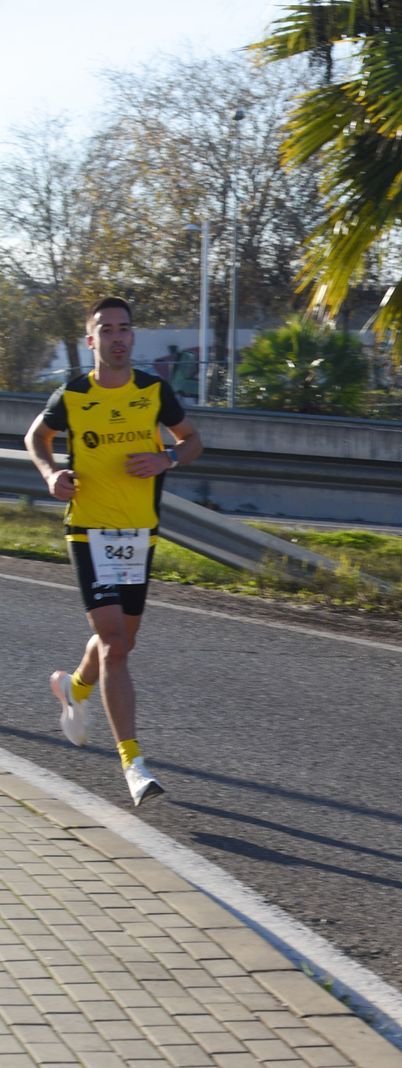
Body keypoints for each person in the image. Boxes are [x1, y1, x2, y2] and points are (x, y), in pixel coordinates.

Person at [24, 297, 203, 806]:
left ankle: (74, 689)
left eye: (125, 329)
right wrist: (51, 472)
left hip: (138, 532)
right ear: (91, 341)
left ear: (132, 337)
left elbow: (193, 441)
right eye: (107, 330)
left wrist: (166, 457)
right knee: (114, 644)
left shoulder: (153, 391)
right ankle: (133, 764)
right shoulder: (73, 395)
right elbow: (38, 437)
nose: (117, 338)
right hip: (88, 530)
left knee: (122, 640)